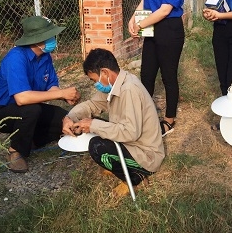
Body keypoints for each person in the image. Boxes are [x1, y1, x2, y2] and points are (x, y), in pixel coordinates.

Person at [62, 48, 165, 197]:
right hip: (132, 141)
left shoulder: (129, 89)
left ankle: (136, 178)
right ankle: (122, 163)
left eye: (94, 80)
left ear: (104, 72)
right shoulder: (115, 83)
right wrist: (69, 117)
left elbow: (130, 132)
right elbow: (92, 105)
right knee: (94, 126)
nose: (95, 85)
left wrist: (93, 125)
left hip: (146, 155)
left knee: (97, 147)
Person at [0, 16, 81, 173]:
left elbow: (51, 85)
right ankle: (15, 151)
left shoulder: (45, 56)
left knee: (66, 118)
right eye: (50, 36)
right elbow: (22, 98)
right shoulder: (16, 58)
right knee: (32, 110)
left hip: (31, 107)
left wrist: (64, 95)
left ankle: (31, 140)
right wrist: (60, 94)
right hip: (3, 112)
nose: (53, 39)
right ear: (37, 39)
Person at [128, 0, 186, 137]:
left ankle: (169, 120)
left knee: (168, 75)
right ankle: (143, 114)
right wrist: (133, 18)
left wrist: (140, 24)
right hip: (151, 29)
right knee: (147, 74)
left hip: (169, 30)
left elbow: (164, 10)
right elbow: (144, 0)